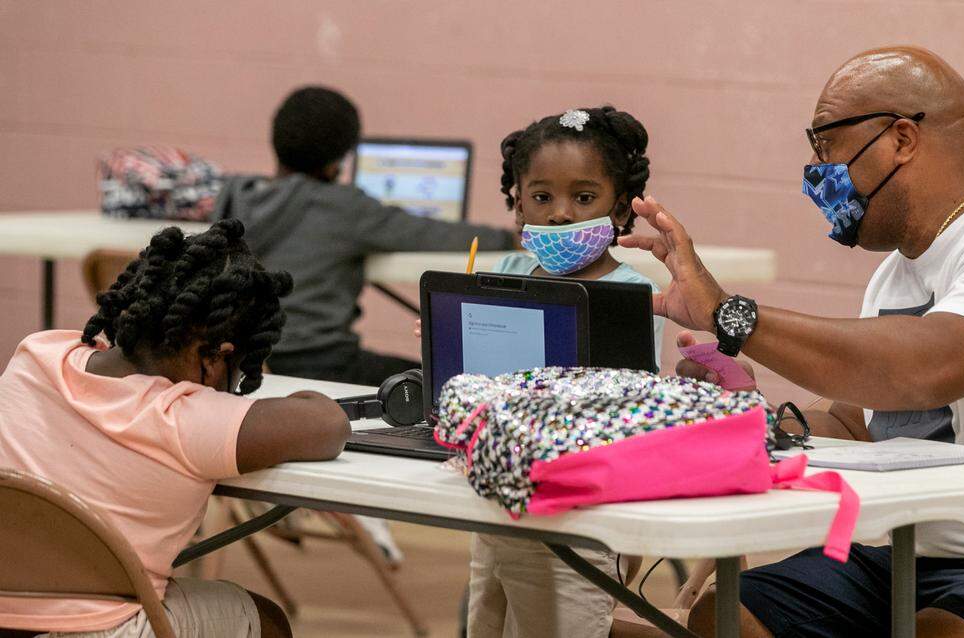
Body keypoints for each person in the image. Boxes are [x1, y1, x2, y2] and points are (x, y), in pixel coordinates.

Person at [619, 47, 964, 637]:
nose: (817, 174)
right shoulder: (899, 271)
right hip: (912, 554)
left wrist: (730, 315)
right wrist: (750, 421)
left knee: (940, 630)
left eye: (826, 147)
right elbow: (868, 424)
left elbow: (925, 367)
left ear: (901, 139)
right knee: (728, 617)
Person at [0, 220, 351, 637]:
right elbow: (329, 424)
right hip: (98, 628)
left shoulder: (38, 354)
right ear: (215, 358)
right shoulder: (189, 421)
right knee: (266, 620)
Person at [415, 106, 662, 638]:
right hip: (494, 491)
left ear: (619, 208)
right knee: (487, 619)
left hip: (580, 514)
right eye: (542, 197)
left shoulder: (635, 295)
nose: (560, 214)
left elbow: (646, 405)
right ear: (518, 201)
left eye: (584, 196)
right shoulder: (500, 274)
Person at [214, 85, 516, 386]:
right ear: (336, 162)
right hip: (320, 362)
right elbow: (428, 233)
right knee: (448, 382)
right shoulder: (341, 206)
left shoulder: (235, 196)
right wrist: (512, 238)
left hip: (248, 361)